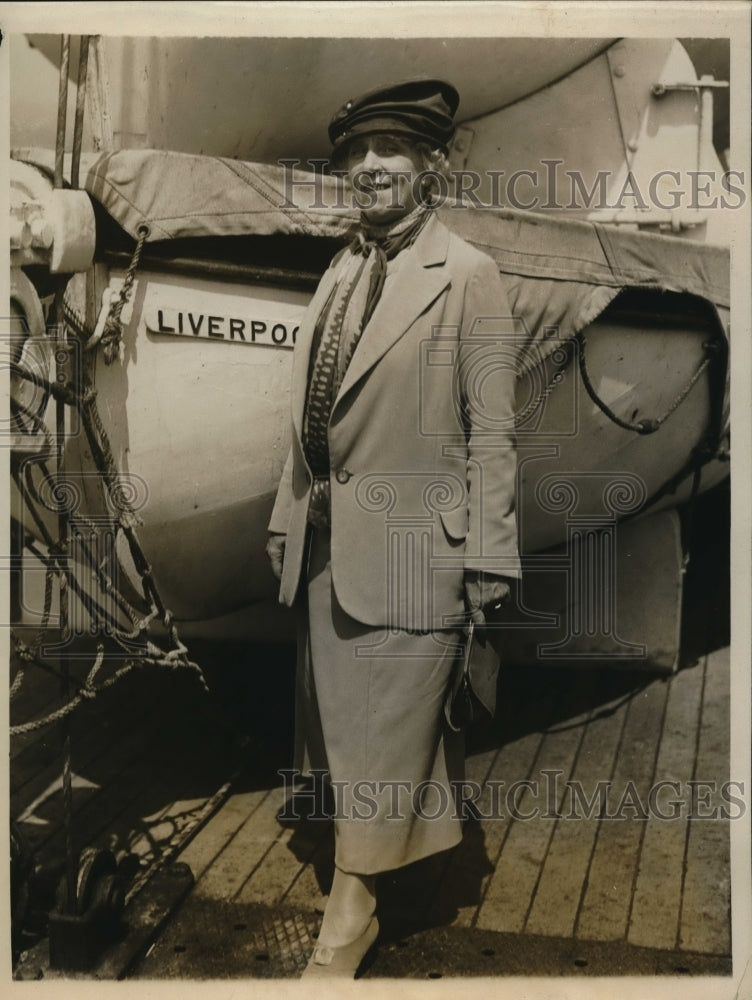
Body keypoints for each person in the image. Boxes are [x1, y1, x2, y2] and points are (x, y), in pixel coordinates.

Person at [266, 78, 521, 978]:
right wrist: (283, 513)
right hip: (330, 543)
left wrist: (490, 557)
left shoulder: (469, 276)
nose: (370, 167)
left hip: (418, 552)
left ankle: (353, 913)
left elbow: (493, 430)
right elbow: (311, 409)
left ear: (431, 166)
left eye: (391, 152)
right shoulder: (342, 267)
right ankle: (369, 872)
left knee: (388, 734)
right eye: (357, 154)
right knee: (346, 732)